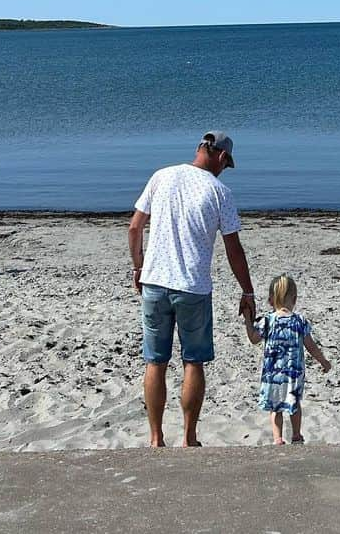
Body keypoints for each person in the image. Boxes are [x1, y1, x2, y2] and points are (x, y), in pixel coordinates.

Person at [128, 131, 256, 448]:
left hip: (155, 283)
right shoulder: (220, 192)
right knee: (193, 362)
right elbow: (233, 249)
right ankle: (189, 437)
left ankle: (156, 438)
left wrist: (138, 267)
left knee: (155, 362)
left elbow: (134, 227)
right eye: (227, 165)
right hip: (193, 288)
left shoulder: (162, 175)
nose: (225, 170)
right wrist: (247, 291)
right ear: (222, 157)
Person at [245, 273, 331, 445]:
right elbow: (310, 345)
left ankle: (278, 438)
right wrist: (323, 361)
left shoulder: (267, 321)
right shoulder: (299, 321)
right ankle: (296, 435)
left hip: (272, 374)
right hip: (293, 373)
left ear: (270, 300)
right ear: (295, 298)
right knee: (294, 404)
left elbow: (254, 339)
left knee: (275, 408)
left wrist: (248, 320)